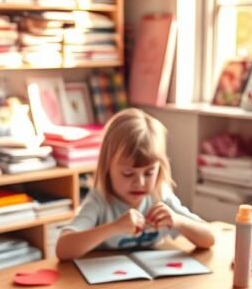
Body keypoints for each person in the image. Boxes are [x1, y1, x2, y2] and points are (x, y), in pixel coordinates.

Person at [56, 108, 215, 260]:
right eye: (128, 173)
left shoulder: (160, 195)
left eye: (149, 173)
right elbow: (63, 249)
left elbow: (209, 238)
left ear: (160, 169)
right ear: (108, 168)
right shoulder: (100, 200)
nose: (139, 182)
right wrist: (114, 227)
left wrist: (179, 221)